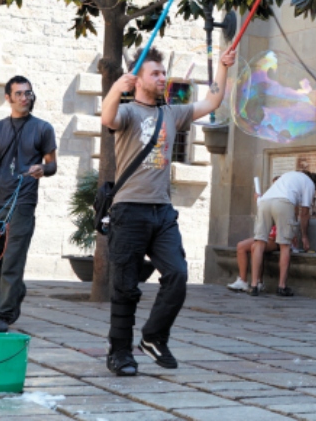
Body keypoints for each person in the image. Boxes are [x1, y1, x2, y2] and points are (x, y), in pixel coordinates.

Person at [100, 45, 236, 376]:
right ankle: (120, 353)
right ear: (138, 79)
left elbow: (212, 101)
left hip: (162, 212)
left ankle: (153, 337)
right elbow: (107, 118)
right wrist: (117, 89)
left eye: (163, 73)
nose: (162, 78)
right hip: (129, 211)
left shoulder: (172, 113)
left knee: (177, 275)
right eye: (155, 73)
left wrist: (222, 67)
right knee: (125, 287)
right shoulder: (129, 112)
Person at [0, 76, 57, 333]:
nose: (25, 98)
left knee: (13, 256)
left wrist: (43, 168)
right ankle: (14, 289)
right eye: (19, 94)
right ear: (8, 98)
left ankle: (2, 313)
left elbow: (52, 164)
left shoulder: (43, 128)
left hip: (24, 198)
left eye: (28, 93)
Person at [249, 168, 316, 297]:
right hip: (282, 203)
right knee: (285, 245)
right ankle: (281, 286)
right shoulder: (309, 184)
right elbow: (304, 213)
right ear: (315, 186)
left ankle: (254, 285)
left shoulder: (289, 175)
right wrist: (304, 236)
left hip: (265, 201)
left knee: (259, 243)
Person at [227, 225, 280, 292]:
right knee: (241, 246)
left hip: (277, 239)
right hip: (263, 235)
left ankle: (259, 282)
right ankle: (242, 281)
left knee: (255, 247)